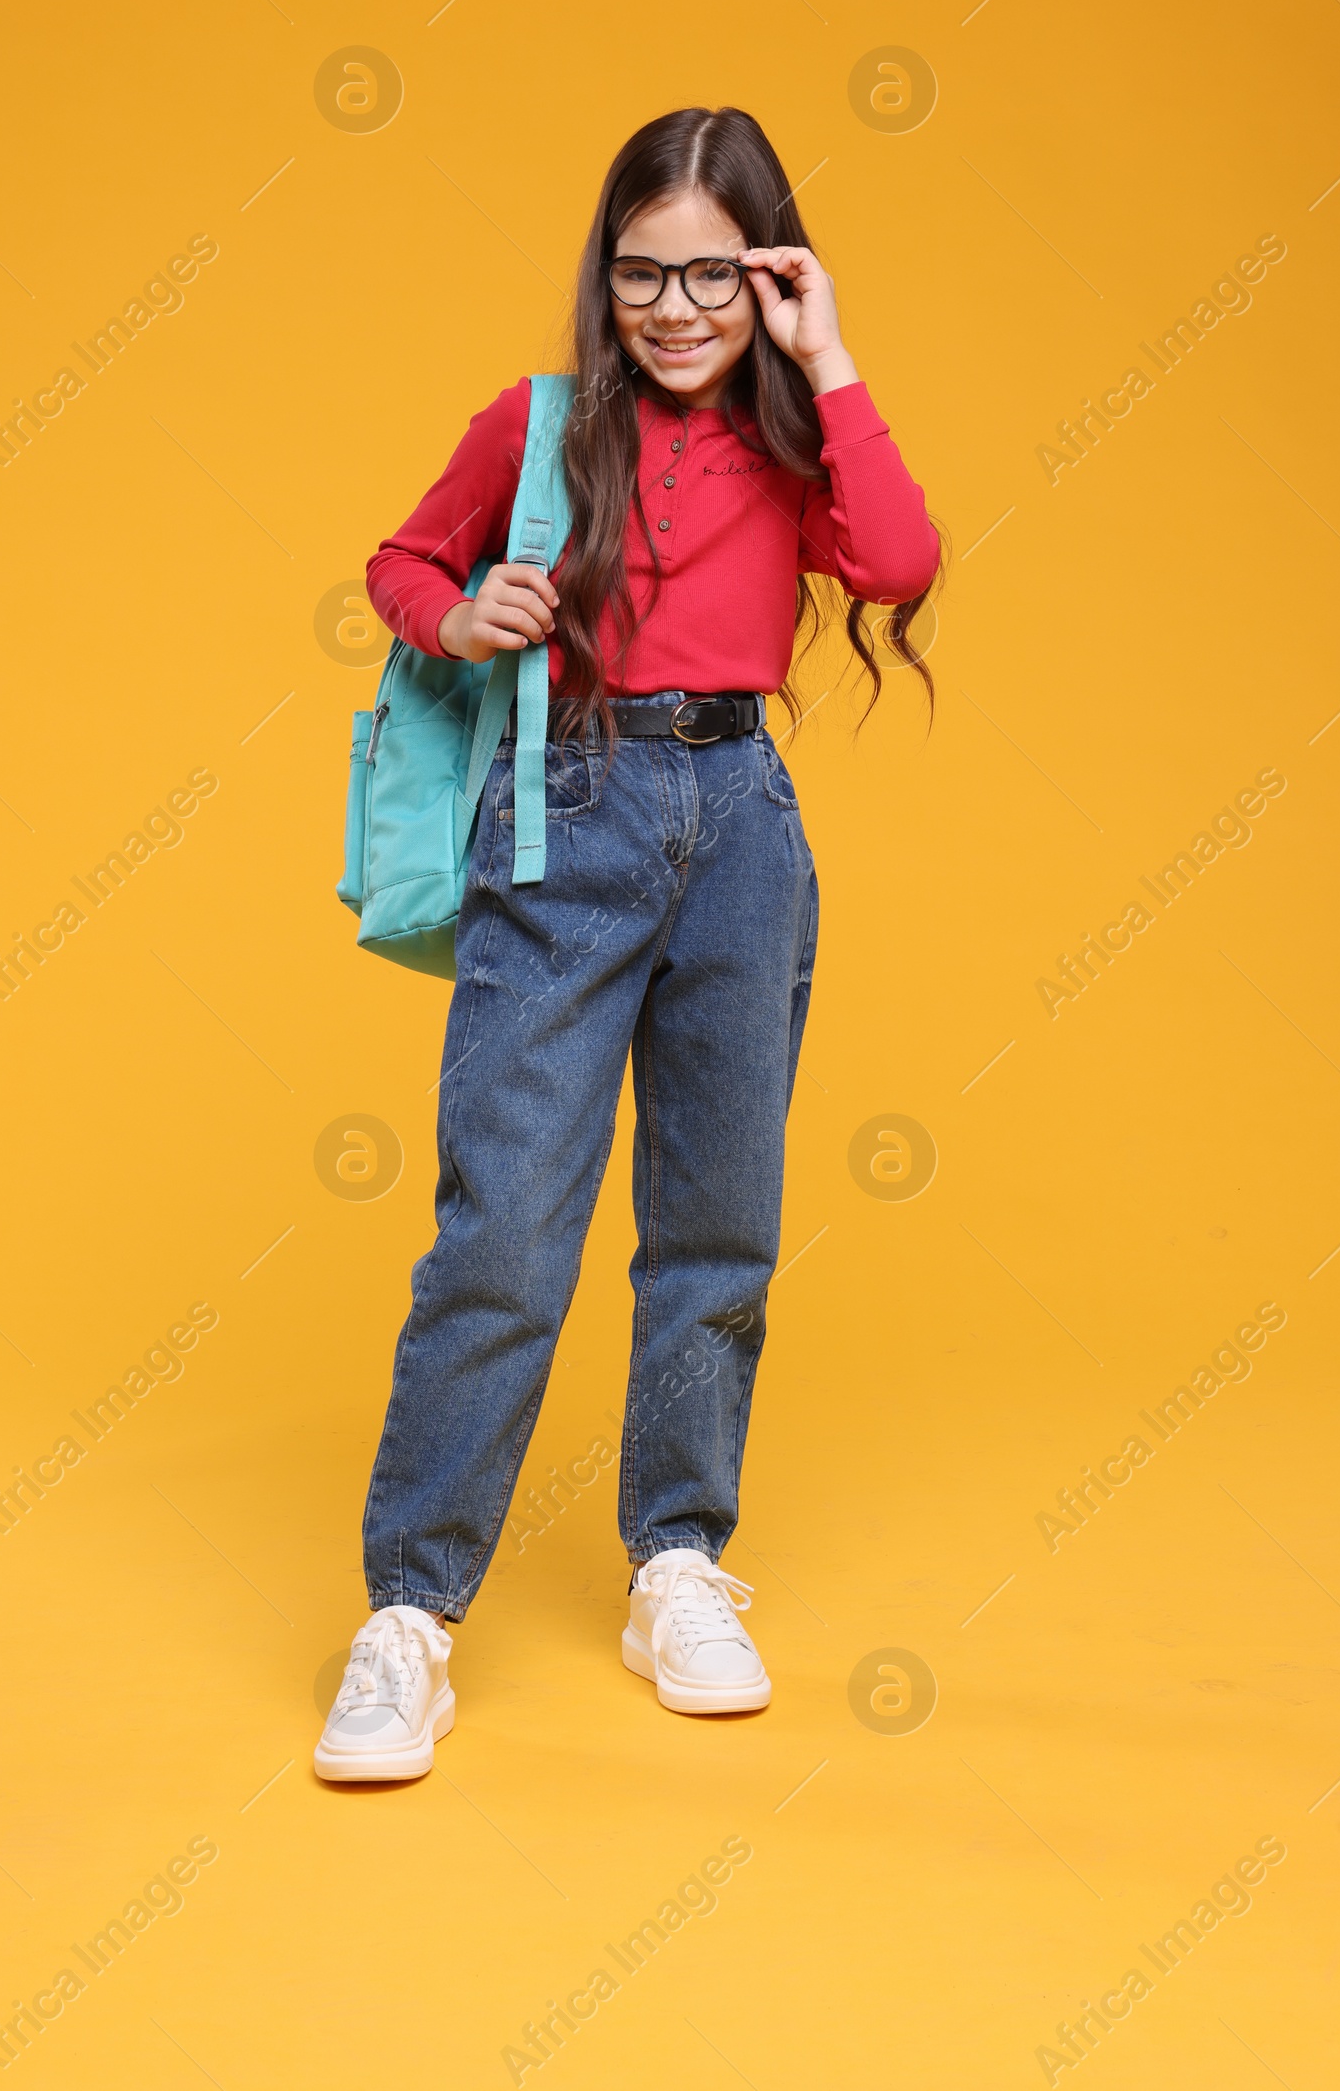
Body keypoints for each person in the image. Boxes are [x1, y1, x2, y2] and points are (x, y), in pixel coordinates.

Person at [315, 105, 941, 1782]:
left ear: (769, 272)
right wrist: (457, 614)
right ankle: (411, 1617)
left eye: (716, 275)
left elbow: (900, 559)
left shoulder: (796, 442)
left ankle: (677, 1563)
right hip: (563, 809)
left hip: (741, 820)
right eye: (642, 271)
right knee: (507, 1226)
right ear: (607, 274)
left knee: (716, 1224)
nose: (675, 309)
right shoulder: (535, 429)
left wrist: (834, 354)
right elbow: (400, 557)